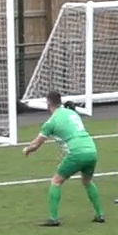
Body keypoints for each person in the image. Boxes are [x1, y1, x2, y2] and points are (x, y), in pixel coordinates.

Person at [22, 91, 103, 227]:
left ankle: (53, 218)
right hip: (91, 149)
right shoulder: (72, 113)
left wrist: (27, 149)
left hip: (76, 152)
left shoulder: (51, 122)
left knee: (56, 181)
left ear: (48, 103)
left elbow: (36, 144)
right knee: (87, 181)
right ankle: (100, 214)